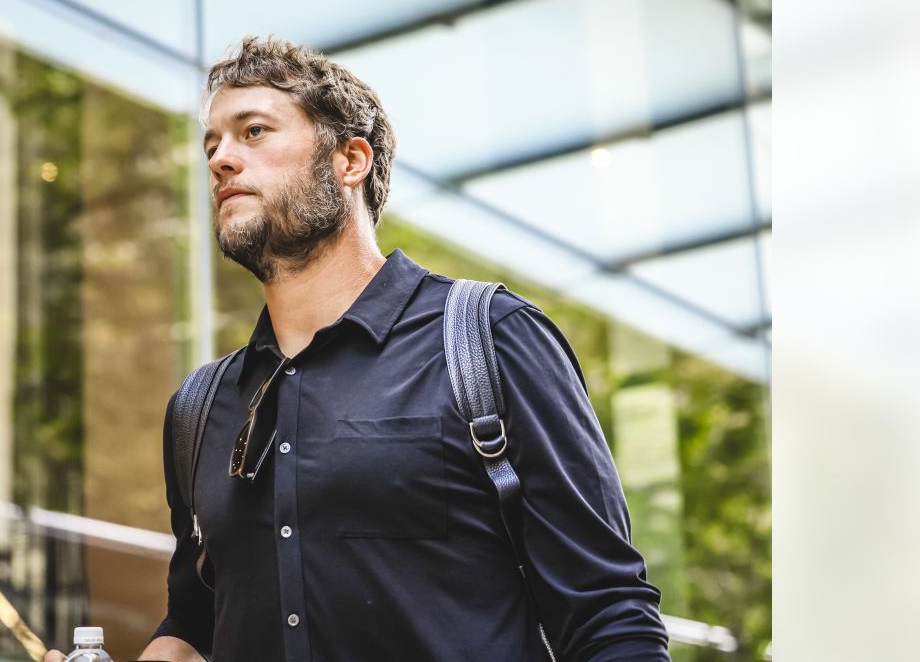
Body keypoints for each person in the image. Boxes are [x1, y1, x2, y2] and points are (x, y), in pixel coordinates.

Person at [46, 36, 669, 662]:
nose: (221, 160)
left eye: (253, 131)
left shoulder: (489, 340)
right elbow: (196, 621)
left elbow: (608, 611)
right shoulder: (199, 409)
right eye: (212, 145)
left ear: (350, 160)